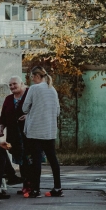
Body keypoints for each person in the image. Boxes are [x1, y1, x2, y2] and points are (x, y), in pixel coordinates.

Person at [21, 66, 63, 198]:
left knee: (36, 161)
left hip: (35, 131)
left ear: (38, 76)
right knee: (53, 159)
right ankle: (57, 187)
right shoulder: (53, 90)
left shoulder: (34, 88)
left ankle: (35, 190)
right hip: (49, 130)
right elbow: (57, 111)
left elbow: (24, 108)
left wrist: (32, 113)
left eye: (32, 77)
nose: (32, 80)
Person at [0, 76, 32, 194]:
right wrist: (1, 127)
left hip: (29, 134)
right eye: (10, 85)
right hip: (15, 135)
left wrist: (29, 117)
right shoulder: (8, 99)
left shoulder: (30, 94)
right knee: (22, 161)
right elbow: (3, 116)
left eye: (14, 84)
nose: (12, 86)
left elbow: (39, 110)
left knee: (30, 160)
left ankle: (33, 186)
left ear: (21, 83)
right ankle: (26, 185)